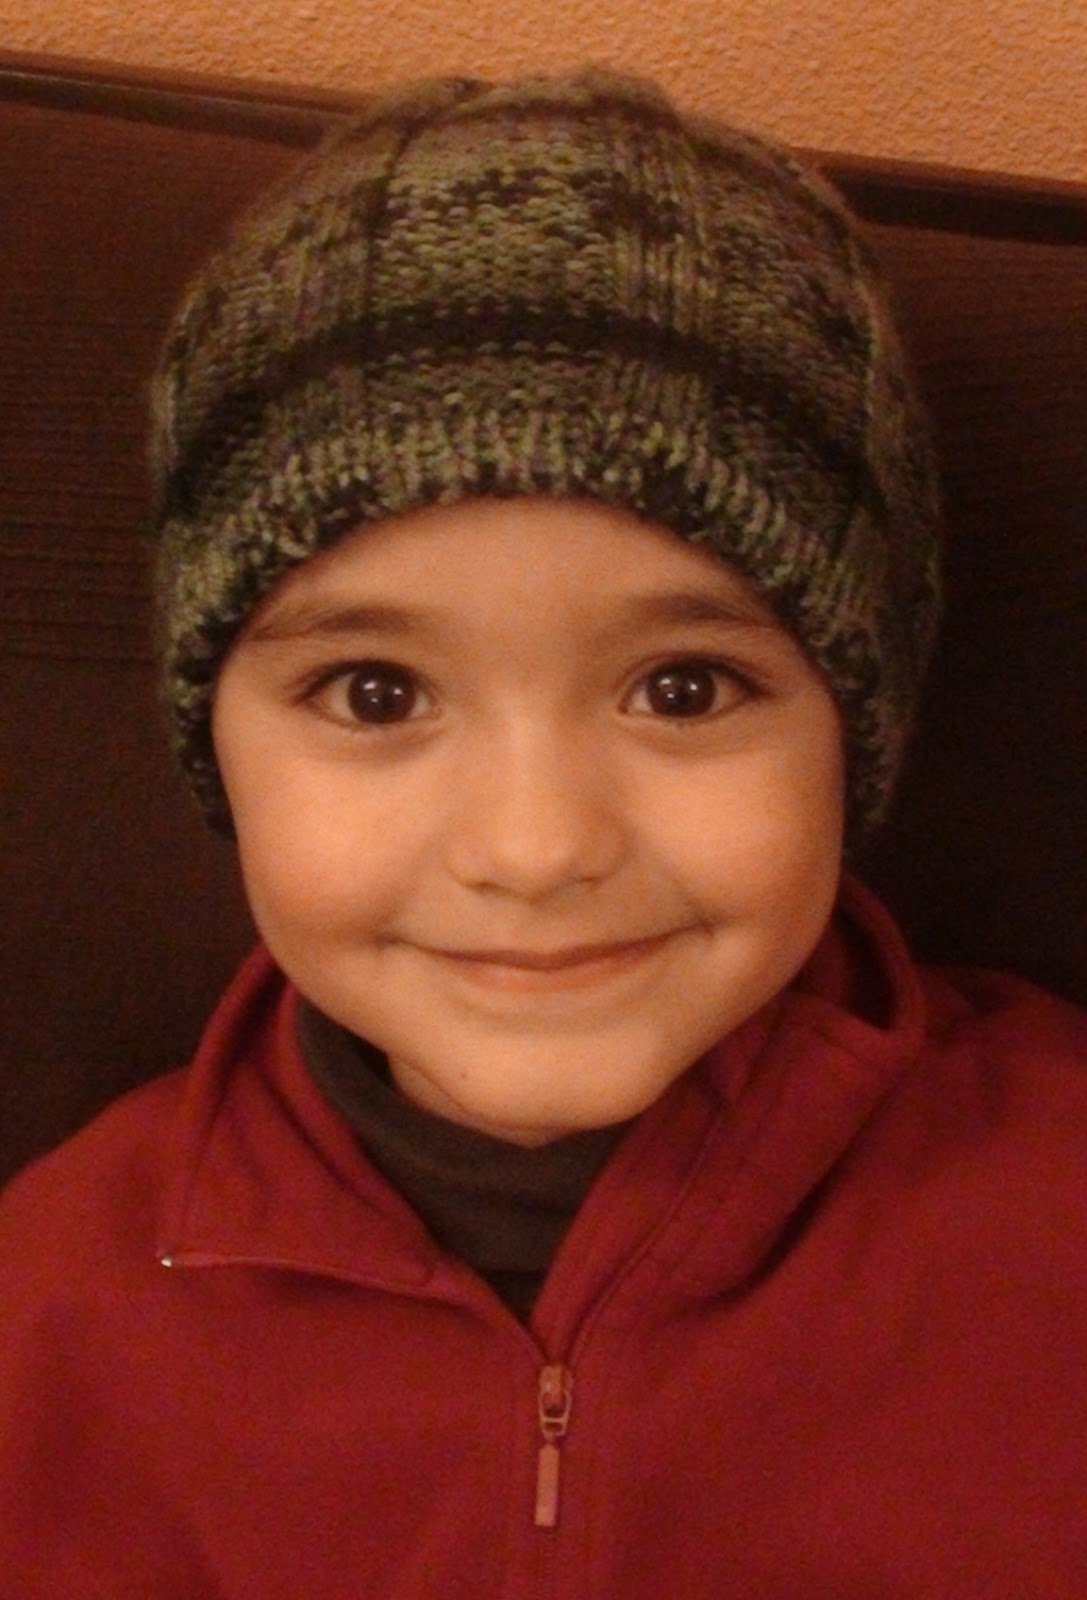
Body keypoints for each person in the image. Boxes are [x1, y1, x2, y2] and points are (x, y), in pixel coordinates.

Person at [1, 67, 1085, 1598]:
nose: (534, 847)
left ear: (860, 730)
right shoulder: (49, 1313)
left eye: (683, 688)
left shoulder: (1057, 1221)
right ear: (215, 749)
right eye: (376, 693)